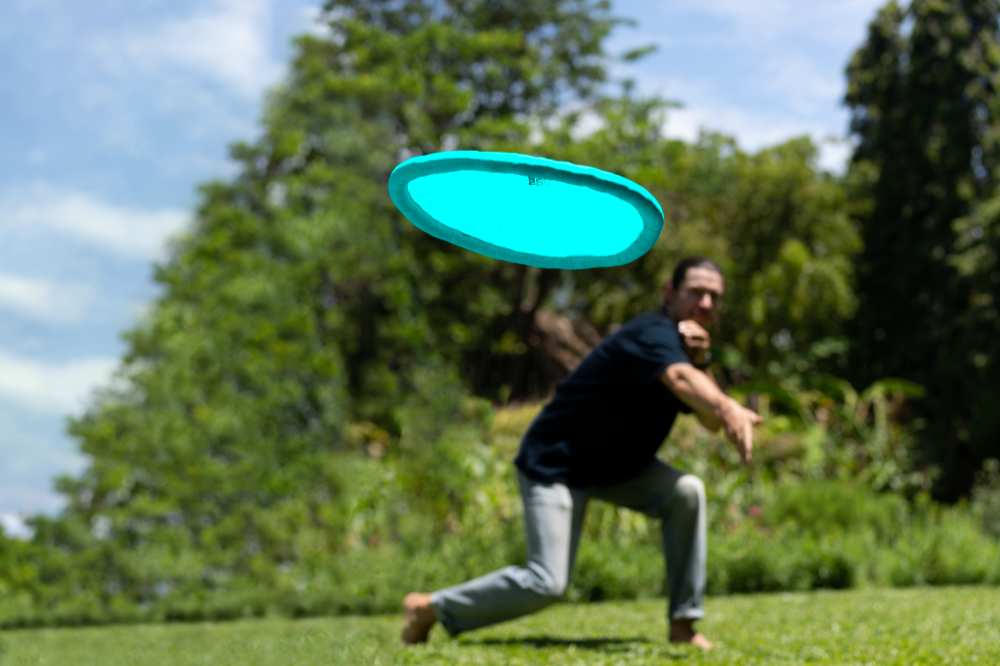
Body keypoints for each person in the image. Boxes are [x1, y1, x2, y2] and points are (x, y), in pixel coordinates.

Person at [401, 257, 761, 650]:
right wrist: (728, 405)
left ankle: (684, 626)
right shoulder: (652, 331)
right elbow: (680, 379)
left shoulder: (686, 354)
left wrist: (703, 363)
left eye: (714, 296)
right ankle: (429, 608)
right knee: (547, 582)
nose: (706, 303)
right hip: (558, 465)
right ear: (670, 292)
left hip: (618, 469)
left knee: (686, 492)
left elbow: (708, 419)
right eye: (696, 292)